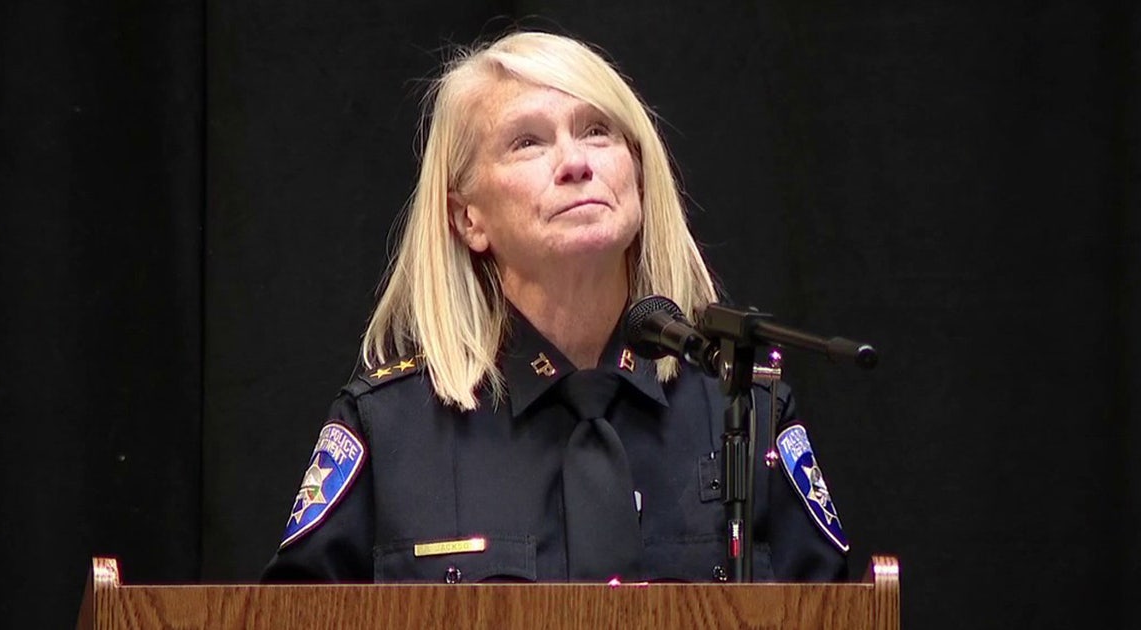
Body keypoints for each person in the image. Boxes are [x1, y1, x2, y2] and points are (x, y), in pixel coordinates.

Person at [261, 31, 848, 583]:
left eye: (598, 131)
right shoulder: (390, 430)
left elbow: (839, 613)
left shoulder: (744, 410)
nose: (575, 162)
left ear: (638, 178)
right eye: (528, 142)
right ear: (468, 218)